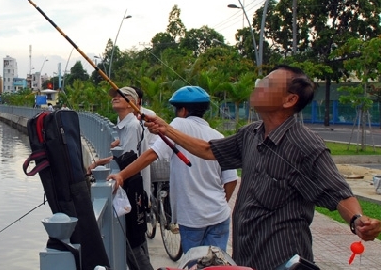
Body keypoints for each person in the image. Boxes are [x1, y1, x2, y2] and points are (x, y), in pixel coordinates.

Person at [142, 65, 381, 270]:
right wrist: (167, 129)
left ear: (289, 100)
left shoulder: (305, 145)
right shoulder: (251, 134)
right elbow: (208, 150)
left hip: (283, 260)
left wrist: (357, 220)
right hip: (248, 257)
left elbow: (339, 194)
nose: (258, 87)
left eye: (267, 84)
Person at [109, 86, 237, 254]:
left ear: (182, 110)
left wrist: (122, 175)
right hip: (220, 215)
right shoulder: (218, 135)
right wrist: (216, 206)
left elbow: (150, 155)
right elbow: (231, 181)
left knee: (194, 263)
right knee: (217, 264)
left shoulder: (178, 126)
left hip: (192, 218)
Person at [108, 86, 153, 270]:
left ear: (132, 103)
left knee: (131, 242)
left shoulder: (133, 126)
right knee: (136, 239)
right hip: (131, 186)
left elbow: (131, 159)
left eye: (121, 96)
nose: (115, 98)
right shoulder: (125, 125)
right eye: (115, 96)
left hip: (133, 188)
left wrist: (117, 173)